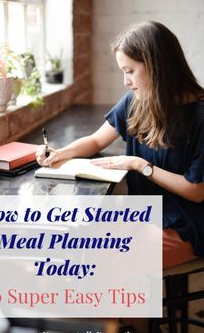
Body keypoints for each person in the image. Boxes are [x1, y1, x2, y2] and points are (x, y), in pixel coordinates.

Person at [36, 21, 204, 269]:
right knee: (80, 243)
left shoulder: (200, 116)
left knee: (109, 261)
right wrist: (61, 152)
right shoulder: (137, 100)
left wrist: (139, 165)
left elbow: (196, 191)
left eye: (130, 71)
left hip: (187, 221)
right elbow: (96, 140)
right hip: (145, 214)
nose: (126, 81)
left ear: (157, 67)